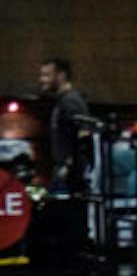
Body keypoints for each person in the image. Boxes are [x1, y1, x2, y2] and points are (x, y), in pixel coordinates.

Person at [37, 57, 89, 194]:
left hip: (68, 177)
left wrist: (67, 167)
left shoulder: (70, 102)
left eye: (47, 75)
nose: (42, 80)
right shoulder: (62, 102)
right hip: (65, 174)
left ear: (61, 76)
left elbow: (82, 138)